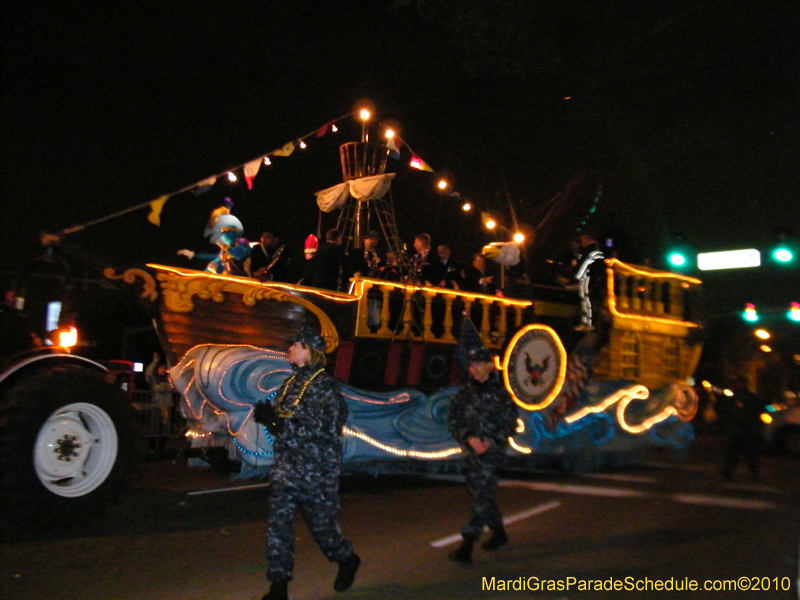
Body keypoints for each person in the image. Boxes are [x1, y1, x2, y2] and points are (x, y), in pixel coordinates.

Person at [253, 326, 360, 600]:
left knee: (322, 527)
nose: (289, 349)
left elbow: (326, 429)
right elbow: (285, 421)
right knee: (278, 526)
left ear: (309, 351)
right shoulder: (290, 384)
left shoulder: (325, 386)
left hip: (315, 469)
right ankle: (278, 587)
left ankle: (346, 558)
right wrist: (271, 420)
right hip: (287, 466)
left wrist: (280, 424)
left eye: (295, 345)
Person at [447, 345, 518, 563]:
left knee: (483, 495)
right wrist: (469, 437)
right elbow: (454, 420)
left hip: (492, 451)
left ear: (489, 365)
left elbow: (510, 424)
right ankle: (499, 533)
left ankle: (467, 544)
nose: (474, 369)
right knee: (479, 493)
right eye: (471, 365)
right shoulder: (464, 394)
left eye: (478, 364)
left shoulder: (502, 394)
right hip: (471, 451)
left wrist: (491, 440)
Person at [718, 376, 765, 481]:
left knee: (748, 451)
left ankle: (753, 472)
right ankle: (729, 470)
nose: (738, 385)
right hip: (739, 427)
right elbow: (725, 410)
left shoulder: (748, 397)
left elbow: (756, 410)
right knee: (735, 451)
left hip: (747, 427)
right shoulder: (734, 396)